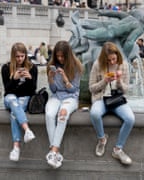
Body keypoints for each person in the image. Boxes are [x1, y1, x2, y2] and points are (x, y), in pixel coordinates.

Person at [89, 42, 135, 165]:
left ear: (117, 56)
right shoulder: (97, 65)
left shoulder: (123, 65)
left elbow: (126, 89)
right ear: (104, 59)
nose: (112, 62)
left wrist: (119, 81)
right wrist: (104, 81)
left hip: (117, 99)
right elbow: (92, 88)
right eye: (109, 60)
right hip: (101, 99)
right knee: (94, 113)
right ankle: (102, 139)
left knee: (130, 118)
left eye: (114, 59)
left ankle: (118, 149)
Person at [45, 40, 83, 168]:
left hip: (71, 97)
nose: (60, 59)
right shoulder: (52, 65)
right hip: (56, 96)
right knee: (50, 114)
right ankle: (55, 153)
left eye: (62, 56)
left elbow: (74, 90)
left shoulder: (77, 66)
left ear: (68, 55)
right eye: (58, 56)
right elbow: (54, 90)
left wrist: (66, 79)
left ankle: (53, 151)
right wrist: (50, 78)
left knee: (62, 114)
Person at [1, 42, 38, 162]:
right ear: (13, 56)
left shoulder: (33, 68)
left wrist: (30, 79)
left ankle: (16, 147)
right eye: (17, 57)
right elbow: (7, 89)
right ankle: (27, 130)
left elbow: (32, 90)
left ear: (26, 55)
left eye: (22, 56)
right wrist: (14, 79)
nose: (20, 59)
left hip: (24, 98)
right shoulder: (6, 68)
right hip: (10, 98)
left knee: (14, 113)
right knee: (12, 100)